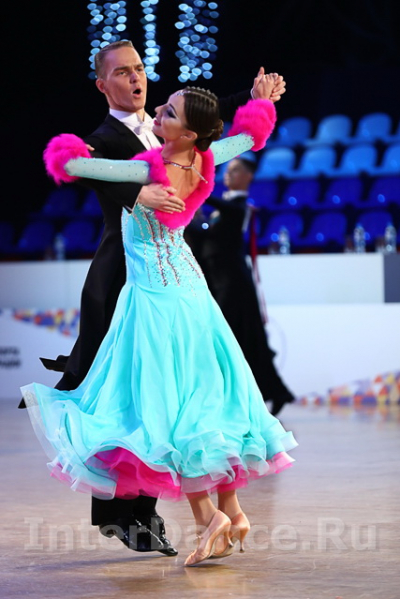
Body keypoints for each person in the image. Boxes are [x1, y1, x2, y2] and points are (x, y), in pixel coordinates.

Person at [19, 40, 287, 556]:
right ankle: (167, 513)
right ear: (103, 85)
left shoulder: (166, 146)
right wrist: (258, 106)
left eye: (140, 69)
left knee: (162, 397)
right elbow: (225, 133)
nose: (139, 81)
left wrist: (251, 100)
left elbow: (79, 163)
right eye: (124, 72)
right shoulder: (151, 144)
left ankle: (190, 516)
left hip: (158, 291)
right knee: (168, 393)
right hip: (155, 282)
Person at [185, 156, 296, 416]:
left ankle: (243, 396)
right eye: (228, 170)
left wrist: (197, 190)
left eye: (236, 170)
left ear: (248, 176)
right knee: (244, 340)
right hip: (218, 281)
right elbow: (206, 241)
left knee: (234, 339)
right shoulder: (222, 210)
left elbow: (225, 215)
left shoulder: (239, 207)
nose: (228, 174)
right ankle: (272, 392)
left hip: (234, 283)